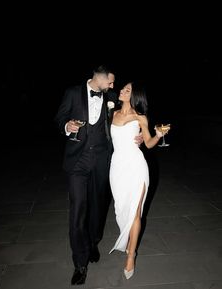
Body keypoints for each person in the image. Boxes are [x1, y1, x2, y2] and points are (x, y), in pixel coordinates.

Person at [55, 65, 143, 285]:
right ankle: (80, 263)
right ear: (100, 78)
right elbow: (59, 118)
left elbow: (134, 110)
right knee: (77, 211)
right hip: (77, 162)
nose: (113, 86)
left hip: (104, 162)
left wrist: (141, 133)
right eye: (111, 82)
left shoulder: (112, 96)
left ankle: (93, 241)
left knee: (97, 206)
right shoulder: (73, 93)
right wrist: (67, 125)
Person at [109, 81, 170, 280]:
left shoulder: (140, 117)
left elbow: (150, 143)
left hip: (136, 166)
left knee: (136, 211)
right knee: (121, 209)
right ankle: (129, 240)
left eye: (127, 90)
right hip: (117, 167)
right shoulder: (112, 113)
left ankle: (131, 255)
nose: (122, 91)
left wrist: (158, 135)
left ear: (134, 96)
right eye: (123, 88)